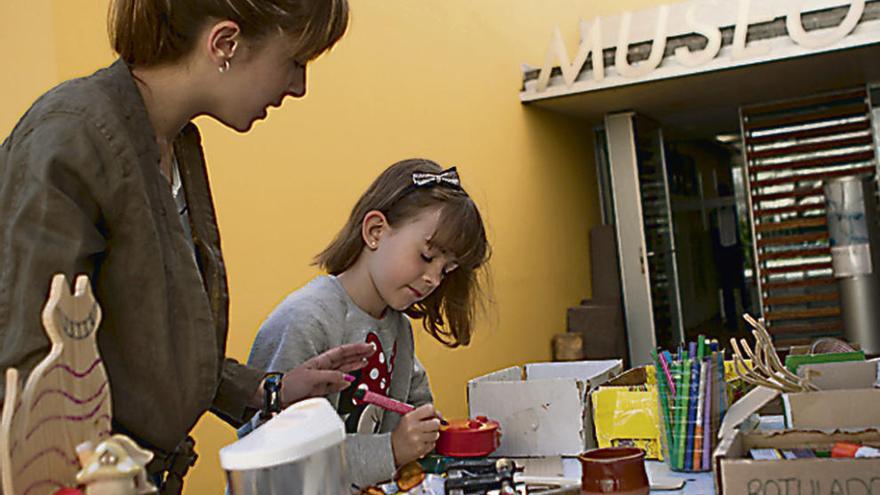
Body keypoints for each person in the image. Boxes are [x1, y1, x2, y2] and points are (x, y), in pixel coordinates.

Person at [0, 1, 373, 492]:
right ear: (225, 43)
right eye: (295, 61)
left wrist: (269, 389)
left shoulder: (178, 146)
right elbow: (33, 374)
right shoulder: (71, 137)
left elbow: (143, 343)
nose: (298, 86)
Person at [242, 159, 491, 487]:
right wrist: (391, 448)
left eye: (446, 270)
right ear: (375, 231)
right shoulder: (305, 319)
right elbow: (275, 462)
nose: (433, 279)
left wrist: (428, 432)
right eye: (427, 257)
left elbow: (415, 409)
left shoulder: (397, 327)